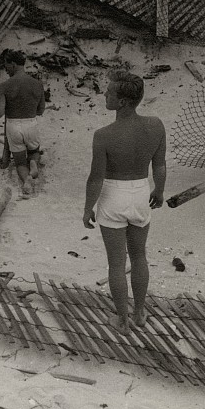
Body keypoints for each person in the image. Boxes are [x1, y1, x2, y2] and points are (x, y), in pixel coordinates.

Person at [83, 69, 166, 333]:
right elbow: (160, 165)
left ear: (122, 102)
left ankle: (122, 319)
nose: (104, 94)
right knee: (139, 256)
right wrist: (159, 191)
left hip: (113, 194)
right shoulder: (155, 126)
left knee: (117, 264)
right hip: (141, 191)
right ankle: (140, 312)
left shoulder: (103, 135)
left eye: (109, 92)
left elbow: (96, 178)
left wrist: (88, 208)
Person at [0, 50, 45, 195]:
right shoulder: (37, 84)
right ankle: (34, 164)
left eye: (6, 66)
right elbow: (41, 111)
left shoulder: (3, 86)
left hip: (13, 126)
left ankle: (26, 180)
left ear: (13, 64)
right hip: (31, 124)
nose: (5, 69)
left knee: (20, 163)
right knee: (34, 152)